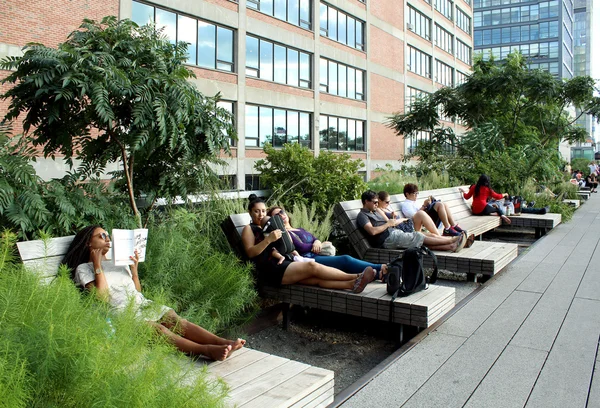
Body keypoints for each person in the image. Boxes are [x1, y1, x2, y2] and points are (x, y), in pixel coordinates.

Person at [62, 225, 244, 361]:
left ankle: (221, 342)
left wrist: (134, 270)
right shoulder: (83, 269)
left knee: (176, 320)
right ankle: (205, 350)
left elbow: (136, 290)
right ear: (88, 242)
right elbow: (101, 298)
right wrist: (97, 264)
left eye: (108, 234)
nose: (107, 238)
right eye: (102, 235)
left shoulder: (117, 261)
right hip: (121, 314)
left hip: (140, 303)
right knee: (157, 329)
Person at [241, 195, 375, 293]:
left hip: (283, 262)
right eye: (256, 211)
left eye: (263, 211)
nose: (260, 214)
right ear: (250, 212)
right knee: (312, 266)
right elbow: (250, 252)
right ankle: (357, 276)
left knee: (316, 279)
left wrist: (290, 250)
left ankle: (353, 285)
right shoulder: (249, 229)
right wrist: (268, 239)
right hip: (271, 270)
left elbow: (277, 248)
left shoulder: (268, 226)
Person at [267, 206, 389, 280]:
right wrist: (316, 244)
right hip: (309, 259)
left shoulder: (299, 229)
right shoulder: (284, 233)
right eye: (276, 215)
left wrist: (318, 242)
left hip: (318, 254)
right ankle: (381, 268)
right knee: (345, 260)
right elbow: (301, 247)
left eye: (281, 212)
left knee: (343, 263)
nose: (281, 215)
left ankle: (379, 275)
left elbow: (315, 238)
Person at [357, 190, 474, 252]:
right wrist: (388, 224)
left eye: (378, 202)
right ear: (366, 202)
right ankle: (453, 239)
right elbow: (372, 231)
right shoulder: (362, 216)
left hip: (394, 233)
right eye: (374, 202)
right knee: (417, 236)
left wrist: (390, 218)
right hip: (387, 240)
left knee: (422, 240)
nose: (377, 204)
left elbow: (388, 219)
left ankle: (453, 245)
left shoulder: (375, 210)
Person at [398, 185, 465, 237]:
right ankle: (447, 229)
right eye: (414, 193)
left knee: (443, 204)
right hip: (421, 224)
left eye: (417, 193)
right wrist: (424, 206)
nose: (416, 195)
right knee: (439, 205)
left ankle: (453, 226)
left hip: (426, 219)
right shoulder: (406, 205)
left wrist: (428, 205)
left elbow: (421, 212)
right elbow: (415, 217)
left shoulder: (415, 202)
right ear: (407, 194)